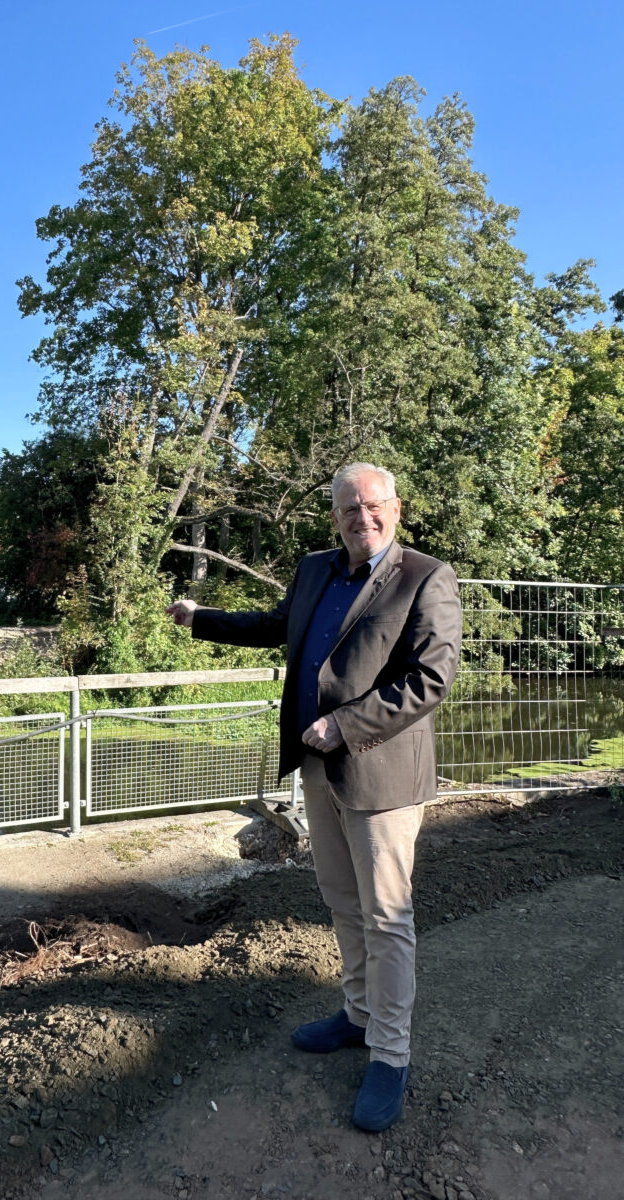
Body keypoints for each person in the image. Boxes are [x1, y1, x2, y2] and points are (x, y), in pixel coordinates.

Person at [166, 463, 462, 1131]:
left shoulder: (425, 577)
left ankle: (390, 1053)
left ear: (395, 508)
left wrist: (346, 725)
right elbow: (278, 625)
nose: (363, 518)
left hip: (382, 778)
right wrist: (201, 619)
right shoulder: (314, 571)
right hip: (317, 770)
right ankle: (358, 1015)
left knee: (386, 917)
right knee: (341, 900)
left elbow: (431, 677)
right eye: (349, 508)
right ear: (335, 517)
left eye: (373, 505)